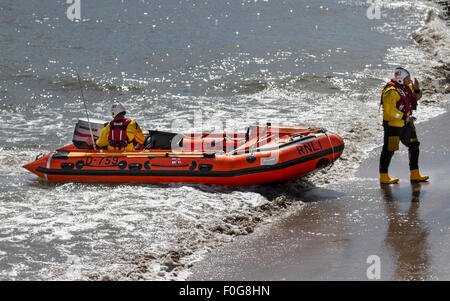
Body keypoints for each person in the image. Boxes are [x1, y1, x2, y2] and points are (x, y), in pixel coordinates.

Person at [379, 67, 429, 184]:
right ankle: (384, 176)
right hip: (393, 127)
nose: (410, 80)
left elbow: (414, 98)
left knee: (414, 146)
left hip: (407, 124)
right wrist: (403, 117)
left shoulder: (407, 87)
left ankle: (415, 174)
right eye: (407, 78)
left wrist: (417, 89)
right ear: (401, 79)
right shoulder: (391, 91)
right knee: (389, 150)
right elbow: (389, 110)